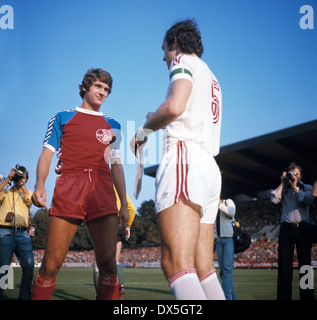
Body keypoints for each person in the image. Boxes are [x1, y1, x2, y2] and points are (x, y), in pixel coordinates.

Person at [130, 19, 225, 300]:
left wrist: (143, 131)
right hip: (209, 167)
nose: (163, 57)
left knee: (175, 263)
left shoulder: (182, 60)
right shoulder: (212, 76)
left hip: (185, 158)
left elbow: (174, 106)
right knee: (203, 269)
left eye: (164, 50)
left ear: (174, 43)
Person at [31, 68, 129, 300]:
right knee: (51, 265)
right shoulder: (62, 117)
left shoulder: (113, 124)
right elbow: (46, 154)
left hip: (102, 190)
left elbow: (116, 166)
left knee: (108, 265)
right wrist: (40, 184)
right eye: (98, 86)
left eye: (106, 89)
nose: (102, 92)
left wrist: (123, 203)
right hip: (70, 186)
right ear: (85, 87)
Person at [271, 161, 315, 300]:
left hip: (303, 228)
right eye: (292, 174)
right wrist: (283, 182)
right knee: (284, 267)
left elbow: (310, 200)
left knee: (305, 265)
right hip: (286, 228)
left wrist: (296, 188)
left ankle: (307, 297)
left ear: (300, 176)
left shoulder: (307, 187)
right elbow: (274, 199)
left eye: (297, 174)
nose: (294, 176)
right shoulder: (284, 188)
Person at [93, 189, 135, 300]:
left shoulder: (96, 185)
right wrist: (128, 226)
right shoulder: (118, 187)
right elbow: (131, 208)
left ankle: (100, 295)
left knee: (97, 264)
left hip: (102, 220)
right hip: (118, 222)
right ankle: (121, 286)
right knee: (115, 260)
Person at [0, 165, 34, 300]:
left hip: (23, 234)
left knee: (29, 266)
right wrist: (8, 178)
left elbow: (30, 200)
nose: (22, 179)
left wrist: (22, 184)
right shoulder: (6, 191)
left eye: (24, 177)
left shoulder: (28, 192)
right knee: (3, 269)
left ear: (27, 179)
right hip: (4, 231)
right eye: (20, 177)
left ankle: (25, 297)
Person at [215, 199, 238, 300]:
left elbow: (232, 212)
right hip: (218, 240)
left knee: (227, 269)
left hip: (229, 239)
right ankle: (234, 298)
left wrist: (219, 204)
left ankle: (226, 297)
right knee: (223, 272)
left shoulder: (227, 201)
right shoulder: (212, 206)